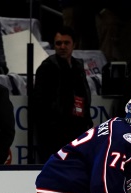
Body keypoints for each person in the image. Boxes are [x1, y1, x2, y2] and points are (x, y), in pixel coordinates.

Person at [33, 26, 93, 163]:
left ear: (74, 45)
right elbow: (40, 104)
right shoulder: (47, 67)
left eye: (66, 43)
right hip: (55, 134)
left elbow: (84, 95)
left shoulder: (78, 66)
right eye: (58, 43)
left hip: (78, 130)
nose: (62, 46)